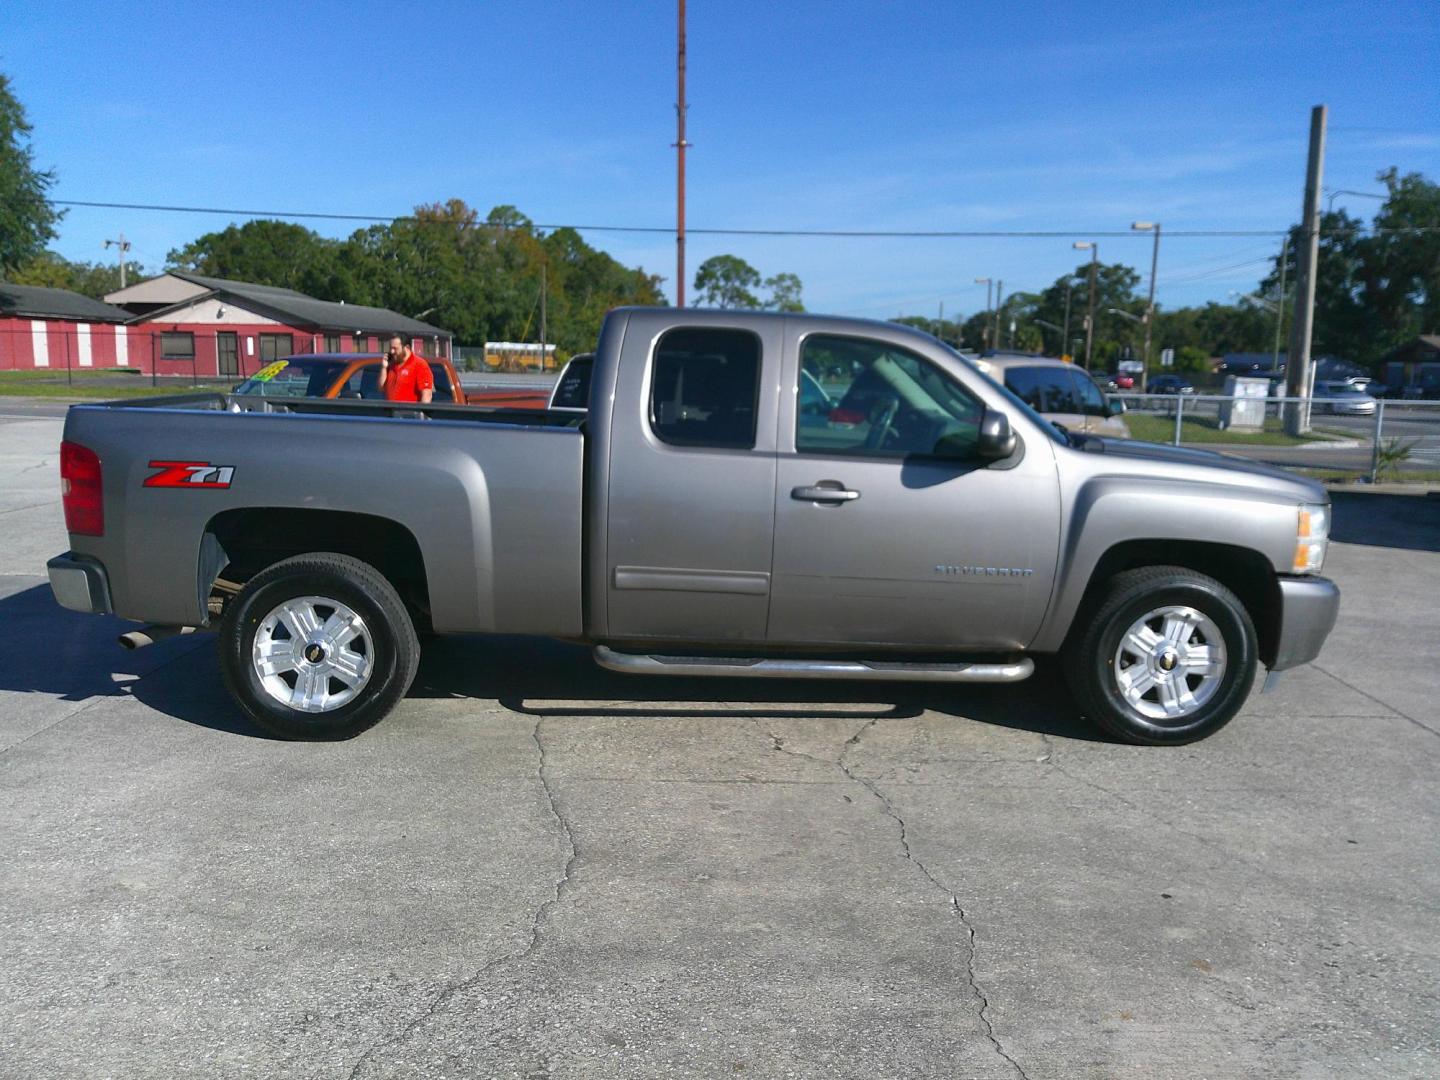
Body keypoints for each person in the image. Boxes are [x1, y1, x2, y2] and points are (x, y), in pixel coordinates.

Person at [378, 336, 434, 403]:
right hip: (391, 411)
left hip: (410, 412)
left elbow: (426, 395)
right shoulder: (391, 364)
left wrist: (421, 412)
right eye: (391, 348)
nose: (392, 351)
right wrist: (384, 368)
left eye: (395, 348)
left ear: (407, 347)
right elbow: (381, 388)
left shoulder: (419, 365)